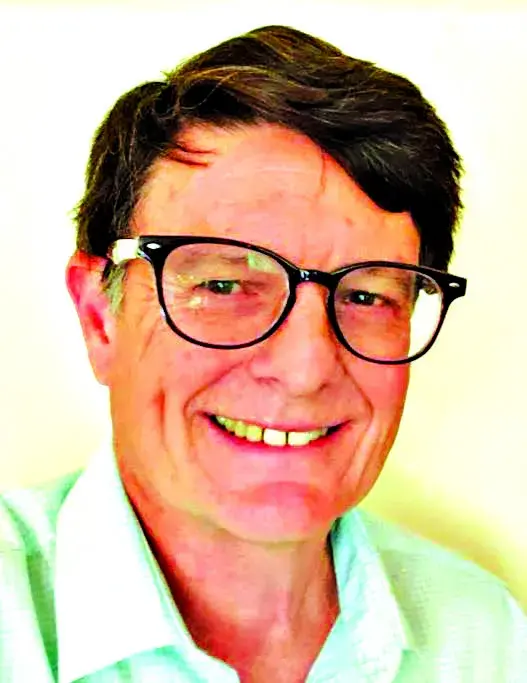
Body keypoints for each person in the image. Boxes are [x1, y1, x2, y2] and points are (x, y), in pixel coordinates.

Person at [0, 24, 525, 683]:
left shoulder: (485, 637)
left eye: (367, 296)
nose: (305, 370)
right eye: (223, 285)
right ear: (100, 318)